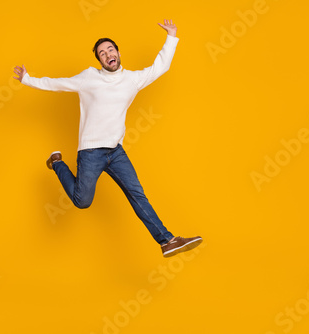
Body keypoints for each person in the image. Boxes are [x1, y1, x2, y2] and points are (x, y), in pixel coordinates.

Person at [13, 19, 202, 257]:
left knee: (137, 195)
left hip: (116, 151)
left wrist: (171, 37)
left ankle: (167, 240)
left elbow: (159, 68)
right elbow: (59, 84)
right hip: (91, 152)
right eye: (102, 53)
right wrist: (27, 79)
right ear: (100, 60)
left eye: (110, 49)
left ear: (118, 53)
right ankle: (58, 163)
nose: (107, 54)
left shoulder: (132, 79)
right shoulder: (89, 78)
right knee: (82, 202)